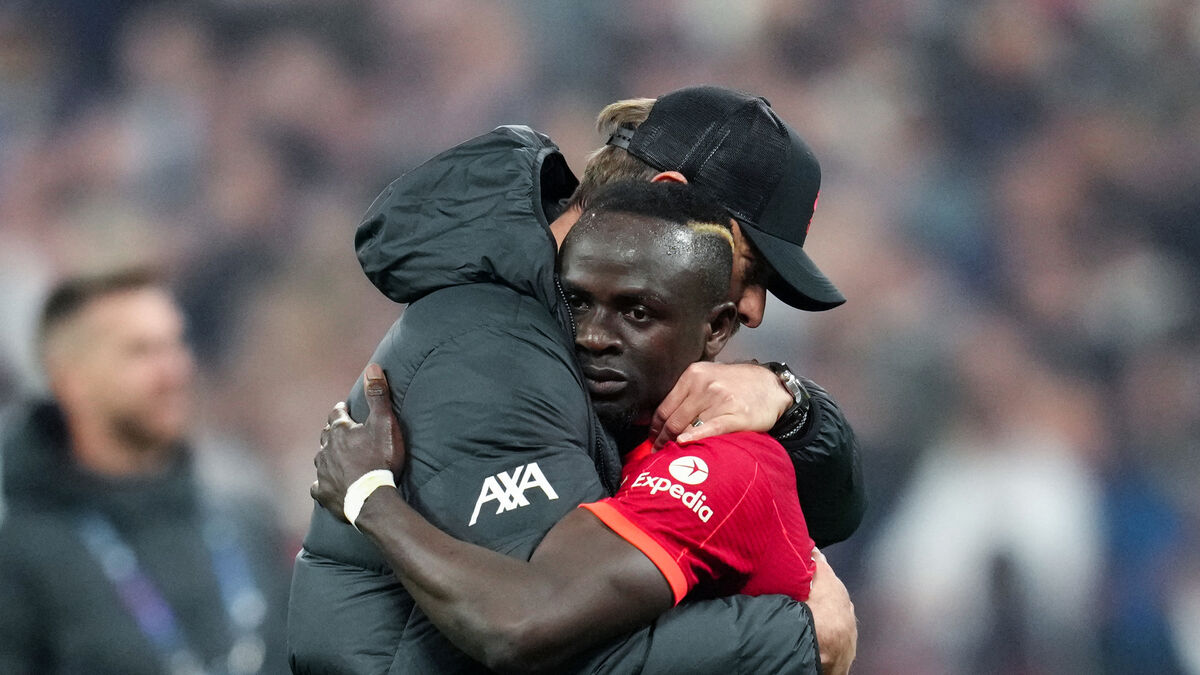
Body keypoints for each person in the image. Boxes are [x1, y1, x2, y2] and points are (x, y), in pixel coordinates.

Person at [288, 86, 861, 673]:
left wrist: (792, 406)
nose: (755, 309)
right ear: (666, 200)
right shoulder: (497, 352)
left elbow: (826, 515)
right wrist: (801, 638)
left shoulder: (603, 348)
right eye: (752, 264)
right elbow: (538, 636)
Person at [0, 268, 290, 675]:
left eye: (176, 344)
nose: (174, 371)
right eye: (140, 352)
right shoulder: (18, 558)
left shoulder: (247, 522)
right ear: (70, 379)